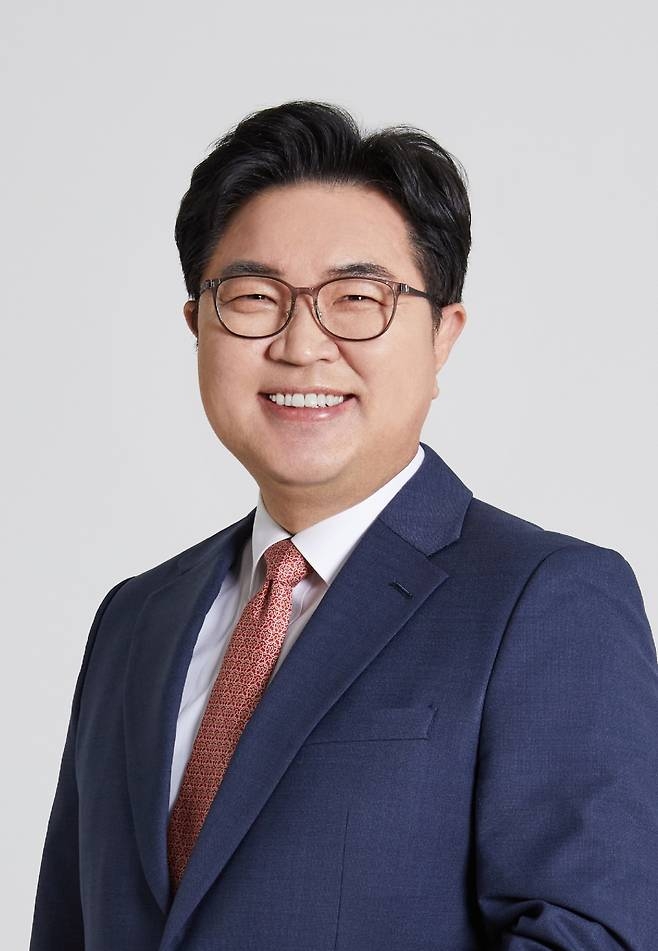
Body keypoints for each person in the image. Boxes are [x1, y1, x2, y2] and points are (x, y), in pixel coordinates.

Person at [30, 101, 658, 951]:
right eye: (254, 297)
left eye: (357, 298)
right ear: (198, 326)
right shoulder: (134, 620)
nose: (302, 344)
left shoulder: (546, 602)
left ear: (442, 335)